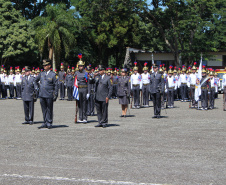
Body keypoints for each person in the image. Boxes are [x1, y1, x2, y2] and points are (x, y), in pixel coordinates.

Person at [35, 59, 58, 129]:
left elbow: (56, 85)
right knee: (44, 109)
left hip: (49, 94)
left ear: (49, 66)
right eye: (44, 65)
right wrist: (37, 88)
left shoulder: (53, 75)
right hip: (42, 94)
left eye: (45, 65)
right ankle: (45, 122)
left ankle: (49, 122)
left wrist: (55, 94)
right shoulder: (41, 74)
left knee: (49, 109)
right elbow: (35, 81)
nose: (44, 66)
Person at [74, 54, 90, 123]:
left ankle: (85, 117)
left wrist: (88, 92)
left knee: (84, 104)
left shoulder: (86, 73)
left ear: (83, 66)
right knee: (79, 104)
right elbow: (75, 82)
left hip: (84, 89)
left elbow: (88, 83)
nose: (80, 67)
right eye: (79, 66)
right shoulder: (76, 73)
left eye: (81, 66)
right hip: (78, 89)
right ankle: (80, 117)